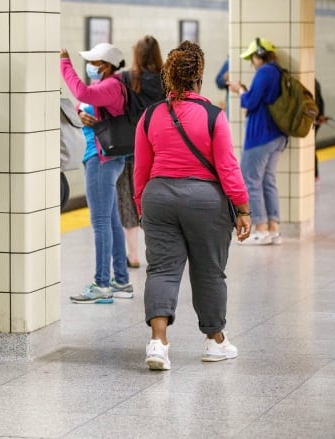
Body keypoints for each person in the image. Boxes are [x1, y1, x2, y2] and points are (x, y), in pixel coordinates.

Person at [134, 41, 251, 371]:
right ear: (198, 77)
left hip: (158, 197)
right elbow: (228, 167)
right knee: (209, 270)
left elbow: (141, 170)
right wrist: (243, 209)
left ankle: (158, 344)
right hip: (205, 201)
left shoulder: (150, 115)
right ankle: (215, 342)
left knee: (162, 269)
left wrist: (143, 207)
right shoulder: (213, 115)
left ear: (169, 77)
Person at [60, 42, 133, 304]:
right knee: (111, 221)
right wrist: (82, 113)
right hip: (105, 158)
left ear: (105, 65)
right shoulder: (112, 85)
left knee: (100, 223)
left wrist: (64, 63)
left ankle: (102, 284)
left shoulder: (111, 85)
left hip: (101, 160)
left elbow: (81, 92)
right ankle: (121, 281)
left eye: (93, 62)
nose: (89, 66)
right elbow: (88, 105)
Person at [227, 38, 287, 245]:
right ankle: (274, 229)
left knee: (250, 180)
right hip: (278, 136)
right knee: (268, 181)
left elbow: (250, 102)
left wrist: (240, 91)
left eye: (252, 58)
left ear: (258, 55)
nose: (252, 63)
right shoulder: (279, 71)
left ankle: (260, 228)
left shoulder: (265, 72)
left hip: (261, 135)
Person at [117, 35, 165, 269]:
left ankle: (133, 255)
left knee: (128, 198)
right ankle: (156, 253)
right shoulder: (167, 80)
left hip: (130, 147)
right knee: (154, 199)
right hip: (159, 149)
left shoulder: (126, 78)